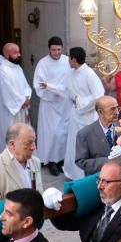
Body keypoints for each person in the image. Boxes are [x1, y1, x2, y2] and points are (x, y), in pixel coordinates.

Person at [56, 47, 105, 180]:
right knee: (73, 143)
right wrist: (49, 86)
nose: (67, 60)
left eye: (69, 58)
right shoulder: (72, 74)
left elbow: (98, 95)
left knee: (87, 145)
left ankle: (89, 174)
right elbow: (67, 92)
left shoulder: (89, 74)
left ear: (73, 59)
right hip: (76, 116)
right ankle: (74, 173)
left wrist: (81, 103)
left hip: (88, 117)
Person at [33, 36, 72, 176]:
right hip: (49, 104)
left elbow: (71, 80)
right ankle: (50, 161)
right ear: (49, 49)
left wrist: (62, 91)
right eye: (54, 50)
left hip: (64, 103)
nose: (56, 52)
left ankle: (62, 159)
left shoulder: (67, 61)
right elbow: (39, 84)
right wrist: (52, 92)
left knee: (64, 132)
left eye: (59, 49)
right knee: (51, 133)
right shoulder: (43, 63)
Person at [0, 123, 44, 205]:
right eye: (29, 143)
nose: (33, 147)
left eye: (34, 141)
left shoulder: (35, 162)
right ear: (12, 144)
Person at [0, 43, 33, 140]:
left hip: (21, 109)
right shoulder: (2, 70)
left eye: (19, 52)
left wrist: (27, 97)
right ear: (6, 55)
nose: (19, 55)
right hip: (10, 112)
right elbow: (7, 92)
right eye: (15, 53)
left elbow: (26, 86)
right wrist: (22, 101)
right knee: (12, 137)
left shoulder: (18, 68)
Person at [76, 97, 121, 177]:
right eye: (112, 109)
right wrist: (108, 160)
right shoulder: (85, 133)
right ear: (101, 112)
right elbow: (81, 161)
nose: (117, 112)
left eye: (117, 108)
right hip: (101, 179)